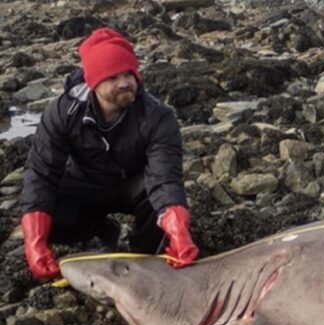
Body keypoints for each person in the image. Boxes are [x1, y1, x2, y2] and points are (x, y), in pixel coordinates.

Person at [19, 27, 199, 279]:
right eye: (113, 77)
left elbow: (164, 178)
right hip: (85, 183)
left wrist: (177, 228)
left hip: (133, 186)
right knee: (47, 206)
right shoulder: (63, 113)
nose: (125, 83)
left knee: (156, 196)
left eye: (129, 74)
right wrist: (34, 241)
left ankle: (143, 256)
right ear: (94, 82)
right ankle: (101, 230)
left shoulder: (158, 116)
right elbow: (41, 173)